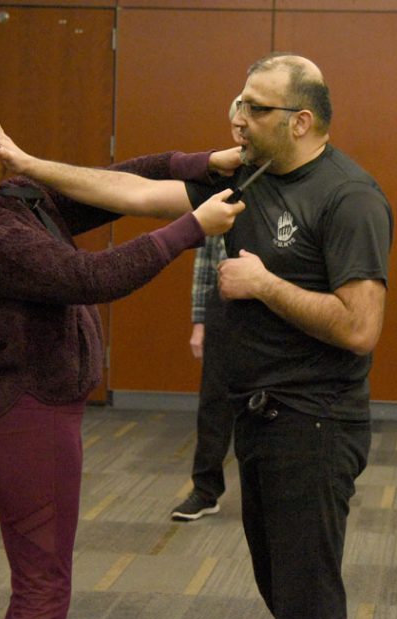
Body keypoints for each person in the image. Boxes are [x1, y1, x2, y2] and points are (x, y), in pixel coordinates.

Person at [0, 97, 243, 619]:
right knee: (43, 586)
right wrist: (191, 228)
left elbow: (108, 184)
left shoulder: (7, 204)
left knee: (38, 582)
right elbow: (90, 277)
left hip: (31, 411)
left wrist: (203, 161)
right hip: (23, 418)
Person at [187, 54, 393, 619]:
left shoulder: (350, 196)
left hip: (315, 423)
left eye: (256, 107)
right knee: (282, 588)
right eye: (239, 103)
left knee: (306, 611)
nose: (239, 118)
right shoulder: (253, 176)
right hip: (259, 416)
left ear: (300, 121)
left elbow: (360, 328)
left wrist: (265, 286)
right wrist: (28, 166)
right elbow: (135, 190)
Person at [171, 96, 240, 522]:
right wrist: (199, 322)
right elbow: (205, 258)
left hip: (275, 306)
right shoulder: (223, 180)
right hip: (223, 308)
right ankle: (205, 489)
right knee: (214, 402)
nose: (241, 130)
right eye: (236, 123)